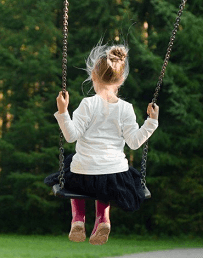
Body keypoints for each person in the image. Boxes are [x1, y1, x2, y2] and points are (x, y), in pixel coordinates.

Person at [44, 43, 159, 245]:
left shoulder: (88, 104)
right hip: (114, 176)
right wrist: (151, 122)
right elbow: (134, 143)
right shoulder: (126, 108)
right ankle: (103, 219)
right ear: (121, 79)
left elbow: (70, 136)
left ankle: (78, 219)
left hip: (83, 175)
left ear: (93, 77)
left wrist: (63, 112)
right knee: (106, 178)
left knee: (73, 167)